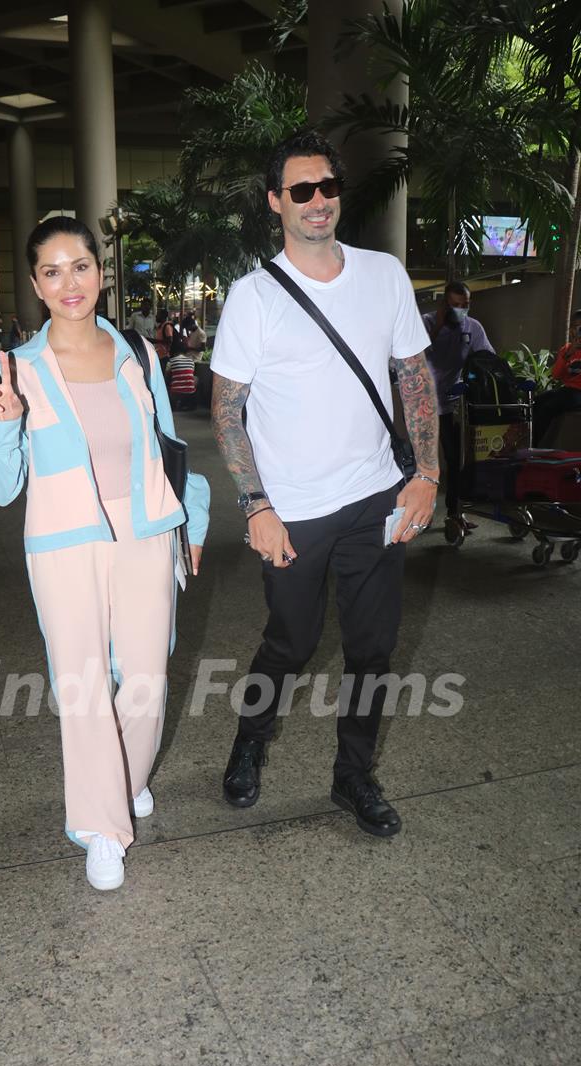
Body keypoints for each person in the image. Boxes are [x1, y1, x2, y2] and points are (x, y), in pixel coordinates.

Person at [0, 216, 210, 892]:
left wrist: (192, 525)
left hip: (145, 534)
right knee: (81, 687)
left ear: (100, 273)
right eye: (52, 270)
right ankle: (102, 828)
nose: (69, 282)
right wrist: (0, 420)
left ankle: (124, 779)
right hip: (64, 547)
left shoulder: (137, 353)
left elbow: (171, 448)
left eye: (80, 265)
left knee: (145, 679)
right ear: (36, 285)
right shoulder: (20, 370)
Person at [210, 130, 438, 838]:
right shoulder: (254, 297)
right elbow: (226, 409)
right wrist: (256, 507)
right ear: (275, 201)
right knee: (292, 641)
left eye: (328, 187)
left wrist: (427, 474)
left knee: (374, 648)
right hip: (295, 510)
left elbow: (414, 374)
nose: (318, 202)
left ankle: (354, 776)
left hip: (375, 495)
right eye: (301, 190)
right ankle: (252, 738)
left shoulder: (383, 274)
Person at [423, 281, 492, 526]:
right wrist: (439, 325)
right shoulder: (427, 323)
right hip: (424, 404)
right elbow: (413, 354)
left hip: (451, 404)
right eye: (455, 305)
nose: (461, 310)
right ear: (444, 304)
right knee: (424, 463)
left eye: (466, 305)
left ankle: (454, 513)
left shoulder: (472, 328)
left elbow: (486, 358)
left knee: (455, 459)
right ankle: (421, 514)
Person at [534, 310, 581, 444]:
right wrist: (568, 354)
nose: (578, 331)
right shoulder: (566, 350)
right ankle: (527, 440)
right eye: (575, 327)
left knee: (549, 408)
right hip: (567, 390)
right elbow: (556, 375)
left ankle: (535, 444)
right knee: (536, 402)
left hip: (579, 393)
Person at [166, 326, 206, 411]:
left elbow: (167, 375)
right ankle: (192, 403)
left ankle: (173, 402)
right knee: (195, 379)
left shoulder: (172, 361)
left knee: (170, 378)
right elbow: (190, 374)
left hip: (175, 392)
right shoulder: (191, 361)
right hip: (189, 391)